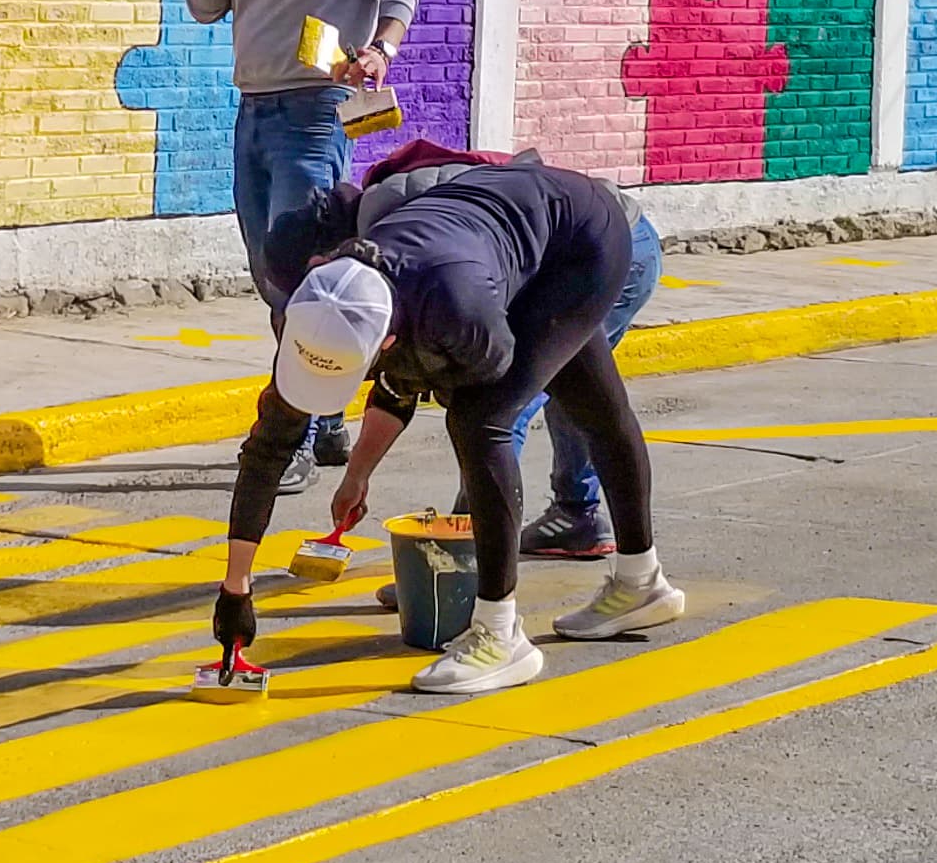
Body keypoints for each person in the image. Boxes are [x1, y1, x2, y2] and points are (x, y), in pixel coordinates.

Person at [211, 159, 676, 698]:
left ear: (384, 344)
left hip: (580, 241)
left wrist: (418, 379)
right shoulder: (322, 308)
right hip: (499, 236)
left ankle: (500, 636)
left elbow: (489, 368)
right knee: (589, 403)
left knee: (483, 421)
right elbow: (270, 445)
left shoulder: (455, 305)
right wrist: (234, 587)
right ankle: (642, 583)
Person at [185, 0, 419, 500]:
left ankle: (299, 432)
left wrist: (381, 48)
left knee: (303, 275)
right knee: (271, 269)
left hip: (318, 107)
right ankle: (326, 413)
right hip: (253, 109)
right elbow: (202, 4)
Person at [275, 140, 664, 563]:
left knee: (504, 402)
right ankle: (576, 517)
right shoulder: (380, 254)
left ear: (321, 259)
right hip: (541, 249)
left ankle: (469, 555)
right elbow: (402, 378)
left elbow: (451, 363)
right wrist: (357, 475)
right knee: (569, 388)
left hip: (605, 245)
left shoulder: (399, 244)